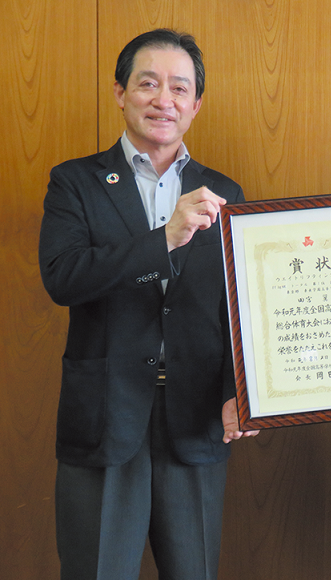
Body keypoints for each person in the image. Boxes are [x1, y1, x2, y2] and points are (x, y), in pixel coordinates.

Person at [39, 29, 256, 580]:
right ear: (120, 91)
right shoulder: (75, 182)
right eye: (148, 83)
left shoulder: (223, 190)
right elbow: (63, 278)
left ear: (196, 104)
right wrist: (164, 239)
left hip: (198, 415)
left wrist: (244, 392)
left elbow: (242, 310)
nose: (164, 100)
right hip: (106, 412)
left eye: (179, 88)